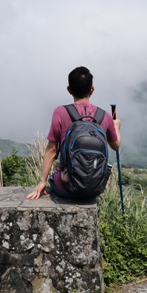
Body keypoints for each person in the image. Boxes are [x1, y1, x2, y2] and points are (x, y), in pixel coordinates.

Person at [26, 66, 121, 200]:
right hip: (95, 187)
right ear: (92, 89)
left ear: (69, 89)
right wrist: (116, 126)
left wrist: (42, 181)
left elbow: (52, 150)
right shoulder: (105, 116)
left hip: (66, 186)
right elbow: (115, 145)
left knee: (55, 178)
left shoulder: (60, 112)